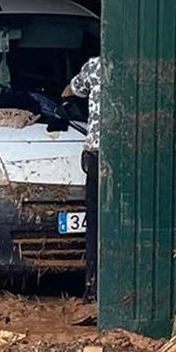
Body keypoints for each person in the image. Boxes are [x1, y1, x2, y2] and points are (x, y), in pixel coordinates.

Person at [64, 56, 100, 304]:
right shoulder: (144, 64)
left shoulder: (95, 66)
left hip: (98, 155)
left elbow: (69, 91)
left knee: (96, 224)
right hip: (133, 155)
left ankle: (93, 288)